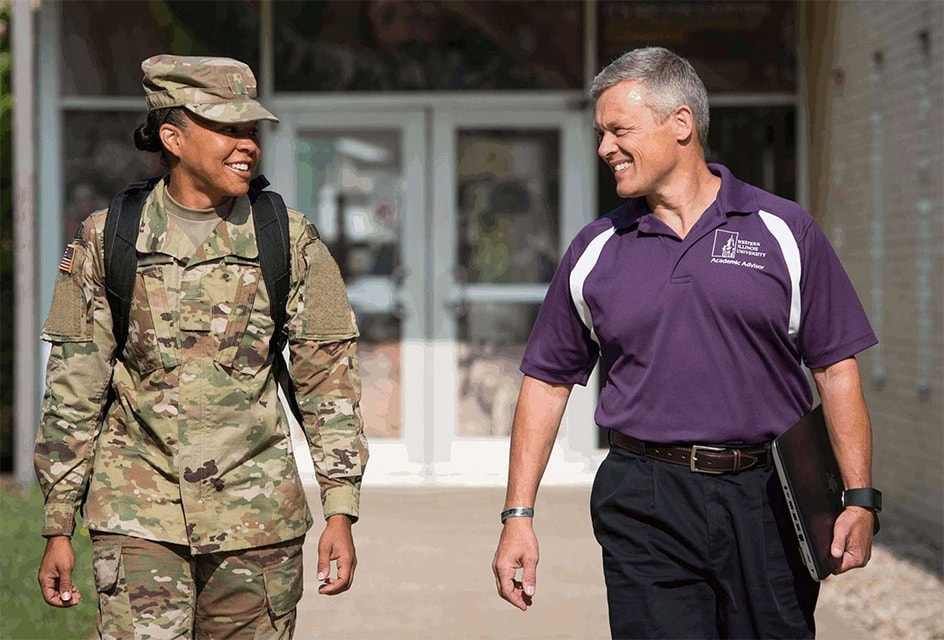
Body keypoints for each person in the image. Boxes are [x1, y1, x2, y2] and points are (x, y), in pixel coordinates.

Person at [492, 46, 880, 639]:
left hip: (769, 497)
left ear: (681, 124)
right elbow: (546, 382)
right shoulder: (597, 248)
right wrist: (518, 515)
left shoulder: (783, 228)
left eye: (619, 130)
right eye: (600, 133)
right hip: (644, 496)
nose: (604, 148)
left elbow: (835, 368)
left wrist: (858, 497)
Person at [35, 55, 368, 638]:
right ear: (173, 136)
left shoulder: (288, 238)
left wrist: (340, 508)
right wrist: (58, 520)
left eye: (251, 130)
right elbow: (74, 388)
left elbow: (328, 383)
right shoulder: (105, 237)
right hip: (138, 512)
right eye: (228, 128)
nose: (247, 145)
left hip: (258, 518)